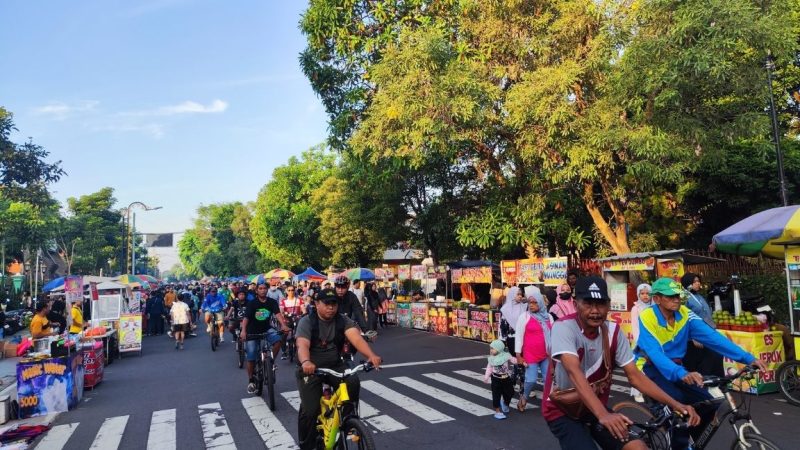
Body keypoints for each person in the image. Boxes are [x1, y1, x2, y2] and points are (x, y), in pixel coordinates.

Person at [543, 276, 700, 450]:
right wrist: (603, 414)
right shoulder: (563, 327)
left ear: (608, 305)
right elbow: (574, 372)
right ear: (575, 304)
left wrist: (676, 405)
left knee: (638, 447)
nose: (595, 310)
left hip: (594, 407)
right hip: (562, 409)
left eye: (601, 303)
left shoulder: (613, 331)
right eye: (588, 303)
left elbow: (635, 376)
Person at [636, 277, 767, 450]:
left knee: (710, 403)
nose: (676, 299)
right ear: (657, 298)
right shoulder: (647, 316)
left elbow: (714, 338)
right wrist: (682, 373)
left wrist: (748, 358)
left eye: (678, 295)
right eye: (670, 296)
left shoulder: (684, 314)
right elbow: (655, 354)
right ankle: (678, 445)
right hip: (649, 368)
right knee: (680, 406)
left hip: (676, 367)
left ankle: (691, 443)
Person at [295, 288, 383, 450]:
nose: (331, 307)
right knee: (311, 410)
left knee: (353, 381)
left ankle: (348, 420)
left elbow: (355, 338)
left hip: (335, 365)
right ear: (316, 304)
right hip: (311, 368)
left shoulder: (342, 320)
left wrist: (371, 355)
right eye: (327, 304)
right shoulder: (307, 321)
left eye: (334, 304)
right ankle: (307, 445)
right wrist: (306, 362)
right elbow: (302, 344)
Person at [241, 284, 290, 394]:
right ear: (257, 291)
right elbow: (246, 318)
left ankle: (270, 362)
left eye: (264, 289)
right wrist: (243, 331)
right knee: (251, 355)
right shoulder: (252, 303)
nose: (263, 291)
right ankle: (251, 380)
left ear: (267, 290)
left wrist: (283, 325)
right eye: (260, 289)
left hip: (267, 329)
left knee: (278, 341)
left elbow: (278, 314)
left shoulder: (272, 302)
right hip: (252, 332)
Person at [514, 286, 552, 411]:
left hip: (546, 354)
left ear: (541, 303)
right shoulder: (524, 317)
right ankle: (524, 398)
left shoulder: (549, 317)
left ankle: (548, 403)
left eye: (535, 303)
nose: (531, 305)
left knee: (548, 379)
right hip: (530, 355)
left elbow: (553, 335)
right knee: (531, 379)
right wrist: (518, 355)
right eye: (530, 303)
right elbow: (518, 337)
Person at [680, 273, 723, 377]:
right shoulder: (684, 297)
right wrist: (693, 336)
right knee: (702, 364)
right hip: (694, 338)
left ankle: (716, 385)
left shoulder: (699, 296)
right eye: (694, 282)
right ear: (688, 283)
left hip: (708, 332)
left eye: (698, 281)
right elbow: (684, 318)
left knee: (715, 358)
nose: (698, 283)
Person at [483, 339, 518, 419]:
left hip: (506, 378)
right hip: (496, 378)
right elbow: (489, 368)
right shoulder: (491, 358)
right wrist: (486, 377)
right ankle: (497, 411)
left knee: (510, 392)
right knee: (496, 395)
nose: (491, 350)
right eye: (490, 348)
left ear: (499, 348)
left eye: (493, 348)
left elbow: (513, 360)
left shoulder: (506, 355)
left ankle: (505, 403)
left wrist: (521, 361)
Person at [629, 283, 652, 402]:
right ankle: (637, 392)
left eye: (648, 293)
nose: (645, 296)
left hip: (653, 342)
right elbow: (635, 327)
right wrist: (641, 343)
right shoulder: (636, 308)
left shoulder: (654, 307)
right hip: (640, 343)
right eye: (642, 293)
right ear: (638, 294)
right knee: (639, 367)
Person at [499, 288, 527, 354]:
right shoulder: (505, 309)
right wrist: (502, 341)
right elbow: (503, 326)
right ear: (512, 295)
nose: (520, 296)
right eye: (518, 294)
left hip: (524, 338)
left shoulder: (524, 307)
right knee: (516, 359)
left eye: (521, 294)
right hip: (512, 338)